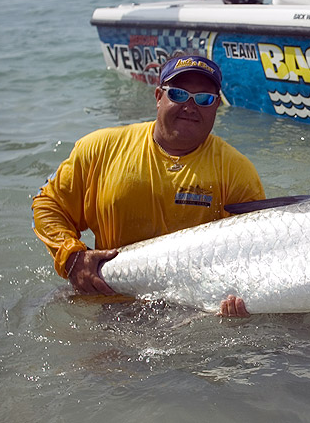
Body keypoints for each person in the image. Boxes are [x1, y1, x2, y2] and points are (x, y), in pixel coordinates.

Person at [31, 55, 266, 317]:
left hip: (192, 312)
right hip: (112, 302)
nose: (190, 106)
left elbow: (251, 253)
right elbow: (48, 205)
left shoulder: (237, 170)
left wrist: (243, 305)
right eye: (178, 94)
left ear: (216, 107)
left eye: (204, 99)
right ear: (158, 97)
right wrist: (73, 258)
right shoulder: (100, 149)